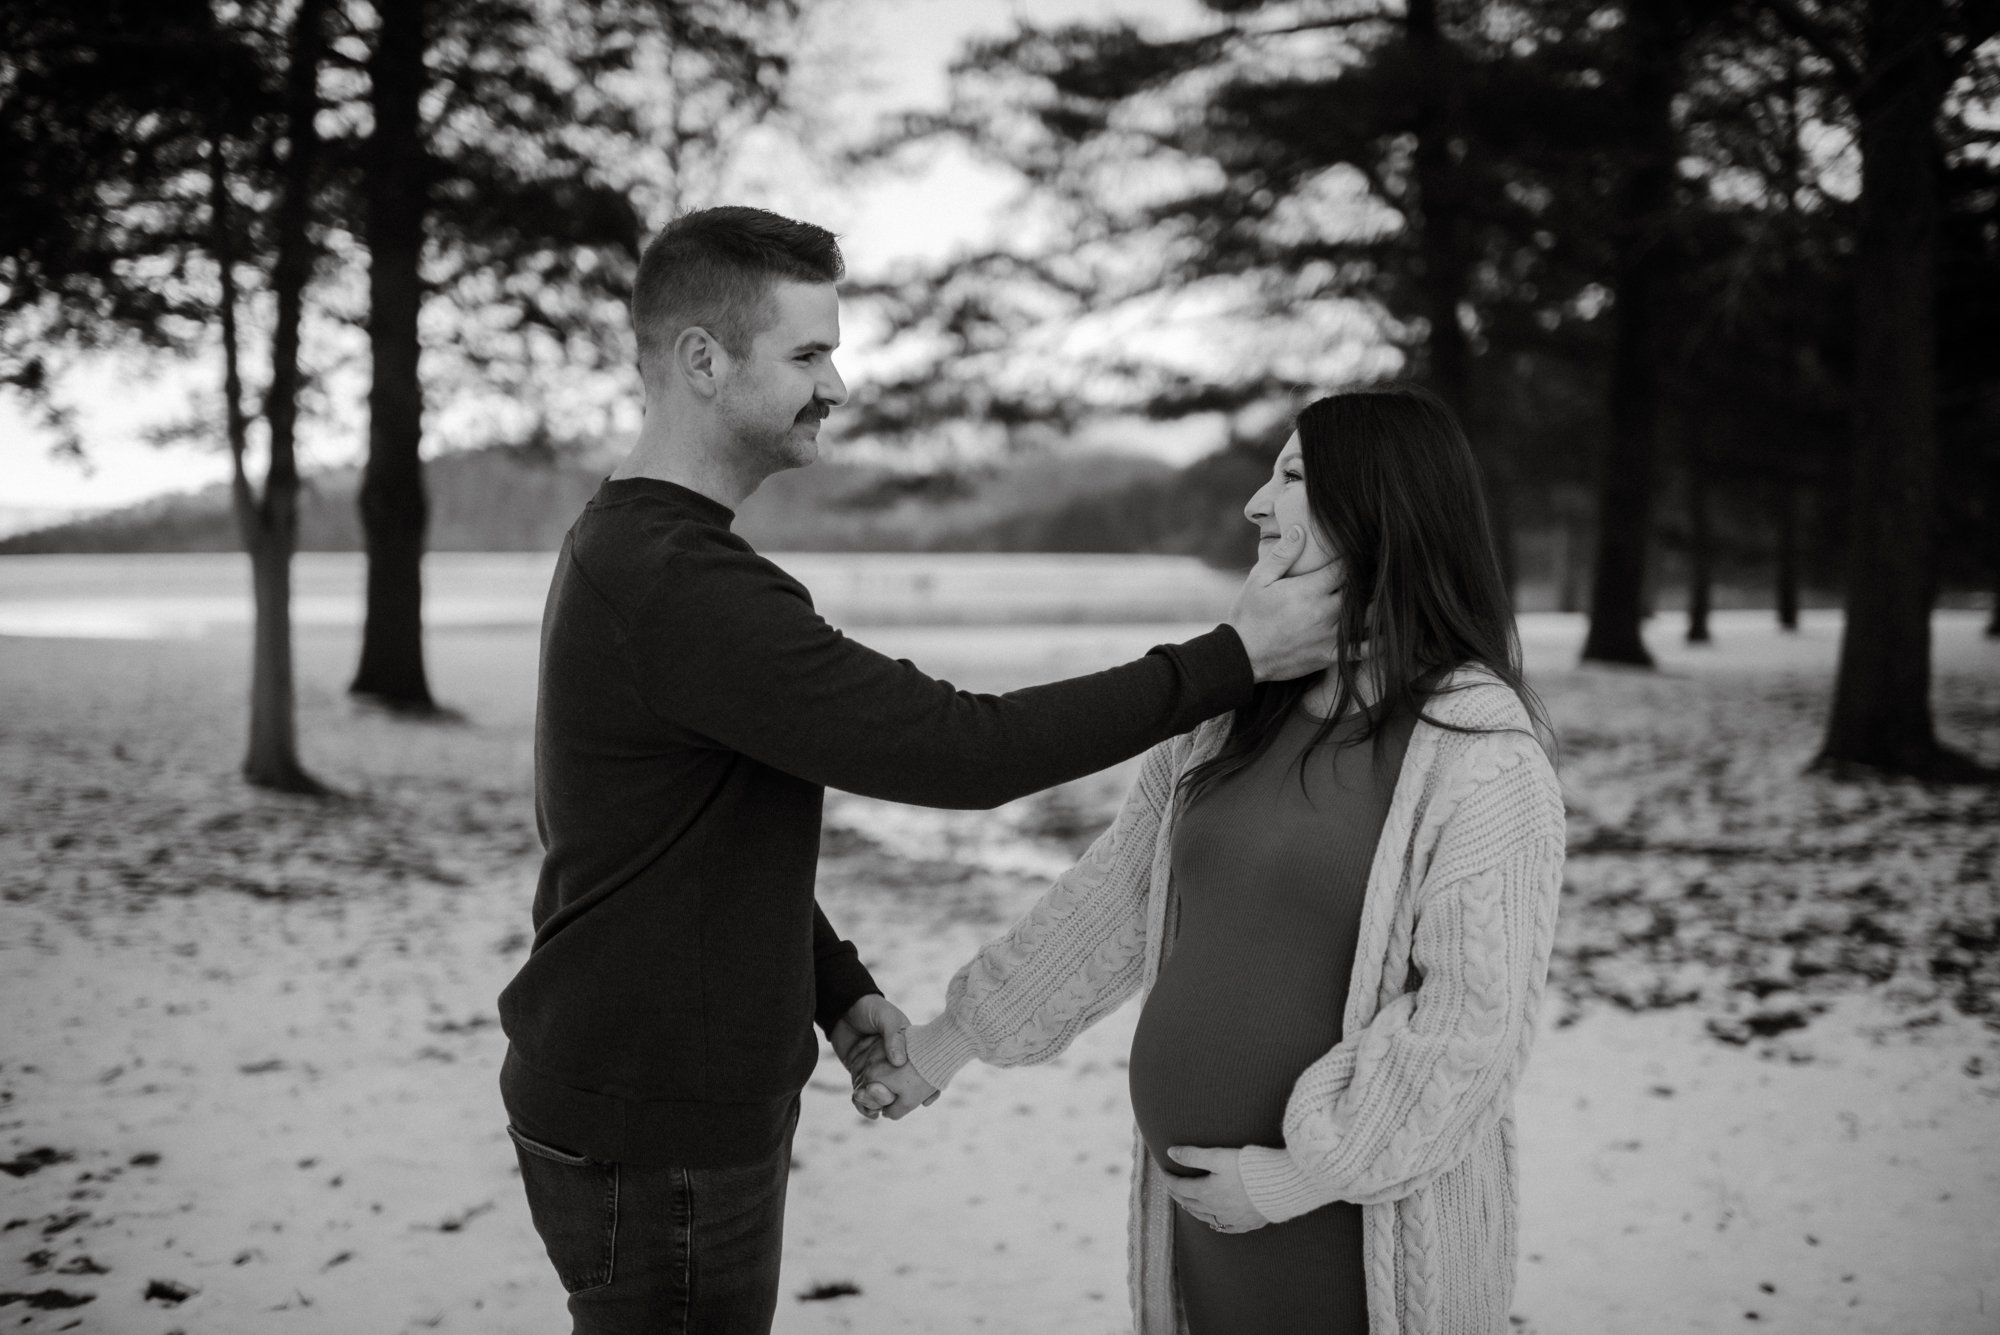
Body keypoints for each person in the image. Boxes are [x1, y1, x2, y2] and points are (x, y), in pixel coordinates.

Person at [494, 204, 1346, 1335]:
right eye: (807, 354)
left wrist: (832, 984)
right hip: (653, 1131)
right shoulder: (677, 583)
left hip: (647, 1103)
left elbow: (690, 835)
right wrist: (1231, 660)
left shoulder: (642, 553)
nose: (836, 386)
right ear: (702, 361)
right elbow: (963, 750)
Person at [857, 385, 1568, 1335]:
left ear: (1379, 506)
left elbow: (1470, 1029)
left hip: (1350, 1230)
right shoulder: (1231, 720)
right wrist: (947, 1046)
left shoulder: (1479, 757)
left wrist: (1291, 1176)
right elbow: (1115, 900)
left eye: (1293, 476)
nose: (1255, 506)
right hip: (1203, 1223)